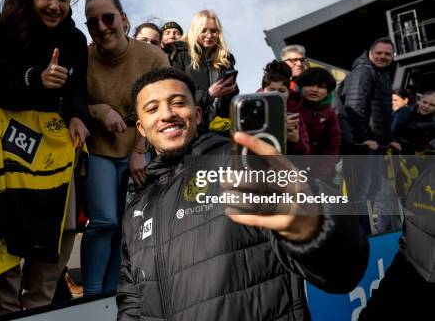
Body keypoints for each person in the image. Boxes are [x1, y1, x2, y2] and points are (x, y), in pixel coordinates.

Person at [117, 68, 369, 320]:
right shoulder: (138, 204)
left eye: (178, 103)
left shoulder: (244, 165)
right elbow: (131, 300)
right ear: (141, 128)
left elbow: (342, 270)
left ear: (197, 113)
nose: (167, 114)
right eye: (152, 109)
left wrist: (310, 224)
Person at [0, 0, 90, 311]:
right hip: (9, 143)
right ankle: (8, 310)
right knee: (8, 228)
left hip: (57, 145)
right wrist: (36, 80)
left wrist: (78, 117)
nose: (55, 5)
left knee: (66, 226)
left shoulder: (74, 40)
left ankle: (40, 308)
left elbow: (77, 89)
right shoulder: (6, 29)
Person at [81, 0, 169, 295]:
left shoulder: (152, 57)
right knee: (104, 220)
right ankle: (91, 294)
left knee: (128, 227)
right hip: (99, 150)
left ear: (124, 19)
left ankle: (111, 294)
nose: (102, 27)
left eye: (109, 18)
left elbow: (161, 110)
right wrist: (100, 110)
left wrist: (138, 150)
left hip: (138, 148)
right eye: (93, 23)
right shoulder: (85, 58)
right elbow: (76, 103)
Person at [339, 37, 397, 233]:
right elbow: (355, 107)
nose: (383, 57)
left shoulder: (382, 74)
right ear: (370, 53)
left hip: (377, 146)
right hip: (365, 147)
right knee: (362, 194)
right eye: (379, 53)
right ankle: (361, 236)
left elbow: (381, 113)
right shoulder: (363, 72)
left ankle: (378, 235)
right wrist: (365, 139)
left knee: (374, 192)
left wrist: (389, 140)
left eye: (387, 54)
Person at [172, 9, 238, 130]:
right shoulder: (181, 55)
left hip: (222, 127)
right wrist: (208, 95)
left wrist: (231, 90)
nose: (209, 35)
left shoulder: (225, 59)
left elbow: (233, 99)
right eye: (203, 31)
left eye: (214, 31)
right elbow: (175, 94)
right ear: (195, 31)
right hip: (192, 127)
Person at [260, 60, 310, 155]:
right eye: (271, 90)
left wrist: (296, 140)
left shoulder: (295, 118)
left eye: (281, 91)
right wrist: (277, 128)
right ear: (262, 91)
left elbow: (305, 153)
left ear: (288, 93)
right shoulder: (253, 113)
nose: (276, 94)